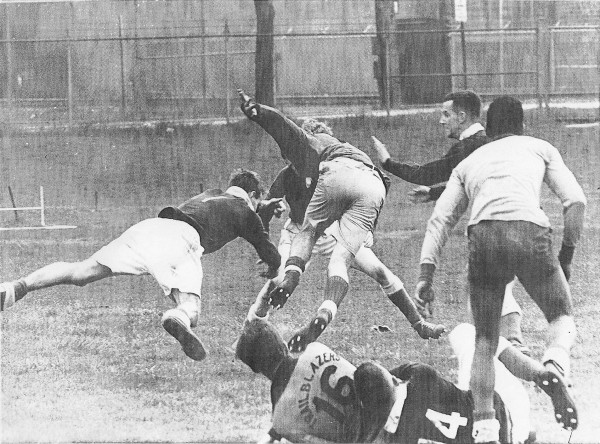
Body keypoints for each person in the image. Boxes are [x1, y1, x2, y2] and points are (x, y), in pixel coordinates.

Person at [415, 96, 585, 442]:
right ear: (522, 126)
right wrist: (565, 255)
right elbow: (576, 201)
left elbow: (440, 221)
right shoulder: (539, 147)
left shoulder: (470, 161)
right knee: (561, 315)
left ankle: (485, 426)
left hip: (485, 236)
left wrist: (425, 276)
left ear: (488, 129)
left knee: (484, 340)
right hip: (529, 231)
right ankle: (553, 365)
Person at [0, 169, 281, 362]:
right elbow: (270, 251)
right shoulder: (246, 211)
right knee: (190, 308)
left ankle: (16, 288)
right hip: (181, 240)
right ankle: (178, 318)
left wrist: (263, 208)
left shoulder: (212, 192)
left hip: (148, 228)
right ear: (254, 194)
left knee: (81, 271)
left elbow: (237, 210)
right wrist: (272, 265)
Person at [239, 90, 445, 352]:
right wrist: (267, 248)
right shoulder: (291, 173)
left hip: (329, 231)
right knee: (276, 280)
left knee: (379, 271)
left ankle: (419, 324)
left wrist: (258, 112)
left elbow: (283, 126)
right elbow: (266, 208)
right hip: (297, 231)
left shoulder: (318, 155)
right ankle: (252, 325)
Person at [236, 291, 574, 444]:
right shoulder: (316, 351)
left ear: (257, 370)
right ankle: (541, 373)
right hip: (494, 412)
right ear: (281, 345)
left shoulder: (282, 417)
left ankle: (527, 430)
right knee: (468, 335)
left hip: (396, 425)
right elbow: (373, 380)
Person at [371, 90, 529, 355]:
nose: (441, 121)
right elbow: (472, 182)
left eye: (446, 114)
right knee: (495, 288)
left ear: (462, 116)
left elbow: (426, 172)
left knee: (483, 294)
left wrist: (388, 163)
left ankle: (512, 348)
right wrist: (433, 193)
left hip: (493, 224)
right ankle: (512, 343)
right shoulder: (487, 140)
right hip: (525, 219)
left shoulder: (469, 147)